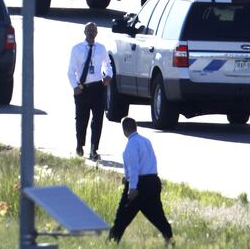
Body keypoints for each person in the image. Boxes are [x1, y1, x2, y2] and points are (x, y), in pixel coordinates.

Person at [109, 117, 173, 244]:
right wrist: (127, 177)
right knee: (157, 215)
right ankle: (170, 238)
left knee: (122, 217)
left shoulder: (131, 145)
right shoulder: (146, 141)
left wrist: (132, 187)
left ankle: (112, 241)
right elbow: (149, 161)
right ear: (135, 127)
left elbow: (134, 167)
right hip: (153, 181)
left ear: (124, 130)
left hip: (139, 185)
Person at [67, 22, 112, 161]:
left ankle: (94, 149)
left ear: (97, 33)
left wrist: (109, 75)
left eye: (94, 31)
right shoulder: (77, 49)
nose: (91, 33)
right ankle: (80, 145)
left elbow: (107, 65)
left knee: (98, 119)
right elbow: (70, 71)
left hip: (97, 88)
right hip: (83, 89)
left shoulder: (101, 48)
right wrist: (75, 86)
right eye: (89, 30)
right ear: (85, 32)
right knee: (81, 119)